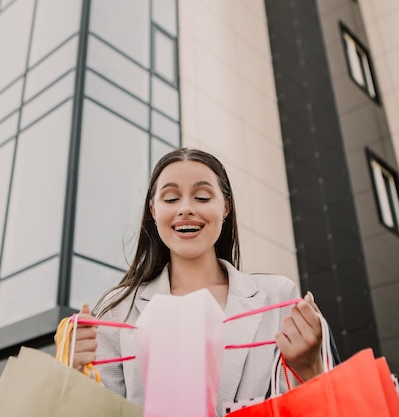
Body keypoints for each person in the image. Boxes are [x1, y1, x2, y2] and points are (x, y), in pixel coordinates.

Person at [56, 148, 326, 416]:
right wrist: (77, 378)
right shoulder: (118, 311)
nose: (185, 209)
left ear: (226, 207)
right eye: (171, 198)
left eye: (202, 197)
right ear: (153, 210)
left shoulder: (277, 298)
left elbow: (306, 406)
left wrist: (309, 367)